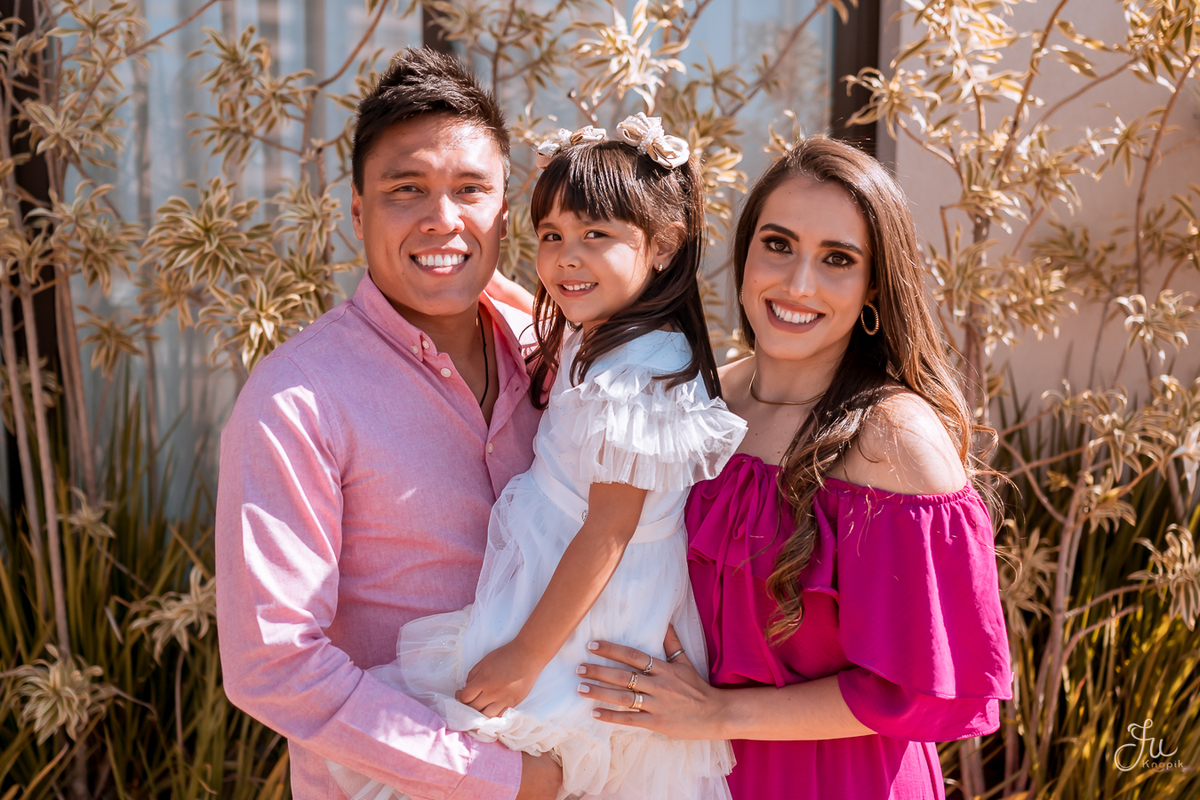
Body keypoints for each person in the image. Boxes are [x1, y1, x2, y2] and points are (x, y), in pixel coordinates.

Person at [577, 135, 1013, 798]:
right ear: (745, 254)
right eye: (778, 244)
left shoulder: (892, 439)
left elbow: (923, 688)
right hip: (685, 774)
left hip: (838, 780)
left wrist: (718, 714)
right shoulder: (701, 401)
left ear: (873, 288)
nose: (797, 283)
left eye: (838, 259)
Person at [327, 117, 746, 800]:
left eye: (595, 236)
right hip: (561, 574)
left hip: (586, 610)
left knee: (526, 738)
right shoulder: (606, 328)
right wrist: (476, 281)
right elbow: (552, 314)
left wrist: (525, 656)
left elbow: (609, 530)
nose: (566, 260)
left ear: (665, 245)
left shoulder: (642, 373)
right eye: (551, 236)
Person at [215, 48, 562, 799]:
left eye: (471, 189)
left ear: (506, 210)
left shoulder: (557, 359)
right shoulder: (297, 399)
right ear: (356, 212)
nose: (444, 219)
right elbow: (272, 662)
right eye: (407, 189)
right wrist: (500, 779)